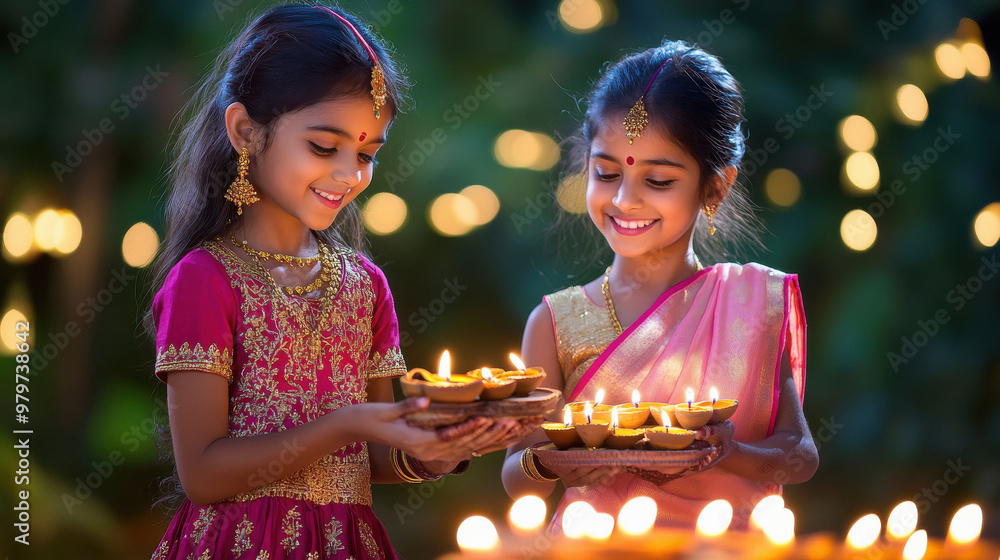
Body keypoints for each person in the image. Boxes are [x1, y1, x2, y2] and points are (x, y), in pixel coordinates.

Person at [147, 5, 524, 559]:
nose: (349, 175)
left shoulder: (364, 286)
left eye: (367, 154)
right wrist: (349, 422)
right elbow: (203, 474)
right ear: (245, 131)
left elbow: (370, 460)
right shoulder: (204, 280)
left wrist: (438, 452)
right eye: (324, 147)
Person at [502, 40, 819, 531]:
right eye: (606, 173)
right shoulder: (554, 322)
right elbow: (516, 474)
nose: (625, 200)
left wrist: (728, 451)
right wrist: (552, 462)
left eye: (659, 181)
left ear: (715, 186)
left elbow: (800, 456)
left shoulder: (754, 306)